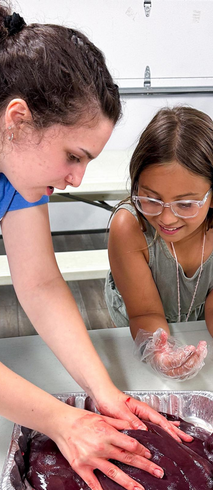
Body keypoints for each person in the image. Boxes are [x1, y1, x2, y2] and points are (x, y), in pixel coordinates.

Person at [0, 3, 190, 490]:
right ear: (18, 119)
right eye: (74, 156)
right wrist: (63, 421)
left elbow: (40, 283)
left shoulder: (15, 168)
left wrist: (103, 392)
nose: (77, 179)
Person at [106, 106, 213, 380]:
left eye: (186, 204)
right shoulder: (130, 227)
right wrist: (159, 354)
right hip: (138, 318)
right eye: (151, 199)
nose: (166, 218)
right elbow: (143, 314)